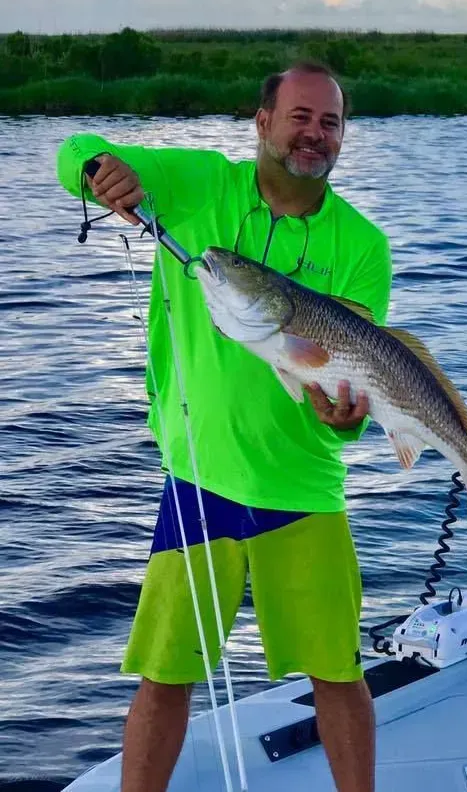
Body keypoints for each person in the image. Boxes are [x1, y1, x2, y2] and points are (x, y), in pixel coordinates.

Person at [55, 61, 391, 792]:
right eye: (299, 116)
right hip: (199, 477)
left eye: (330, 122)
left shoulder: (362, 245)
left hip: (304, 487)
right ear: (263, 121)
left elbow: (349, 401)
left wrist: (343, 421)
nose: (314, 133)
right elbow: (72, 151)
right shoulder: (200, 184)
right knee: (164, 674)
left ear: (343, 136)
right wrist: (96, 170)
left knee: (338, 672)